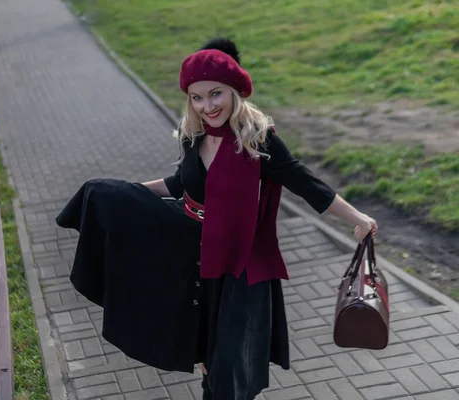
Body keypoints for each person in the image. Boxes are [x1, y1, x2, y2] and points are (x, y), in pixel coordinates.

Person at [56, 38, 378, 400]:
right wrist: (128, 192)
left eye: (215, 94)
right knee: (207, 354)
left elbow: (306, 183)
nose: (207, 106)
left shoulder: (259, 139)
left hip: (238, 263)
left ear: (234, 92)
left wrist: (357, 217)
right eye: (197, 97)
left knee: (228, 366)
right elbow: (181, 184)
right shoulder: (194, 136)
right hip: (194, 254)